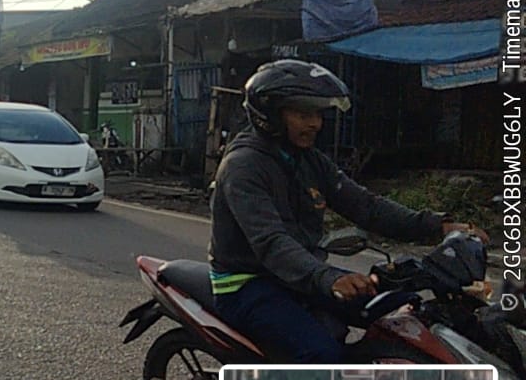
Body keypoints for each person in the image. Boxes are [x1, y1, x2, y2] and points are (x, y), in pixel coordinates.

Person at [208, 59, 486, 363]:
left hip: (301, 277)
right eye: (303, 114)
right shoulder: (243, 167)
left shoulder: (307, 159)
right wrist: (327, 277)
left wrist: (438, 226)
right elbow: (271, 242)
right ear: (270, 116)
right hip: (248, 284)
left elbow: (366, 206)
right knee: (323, 355)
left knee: (409, 313)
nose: (315, 123)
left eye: (317, 114)